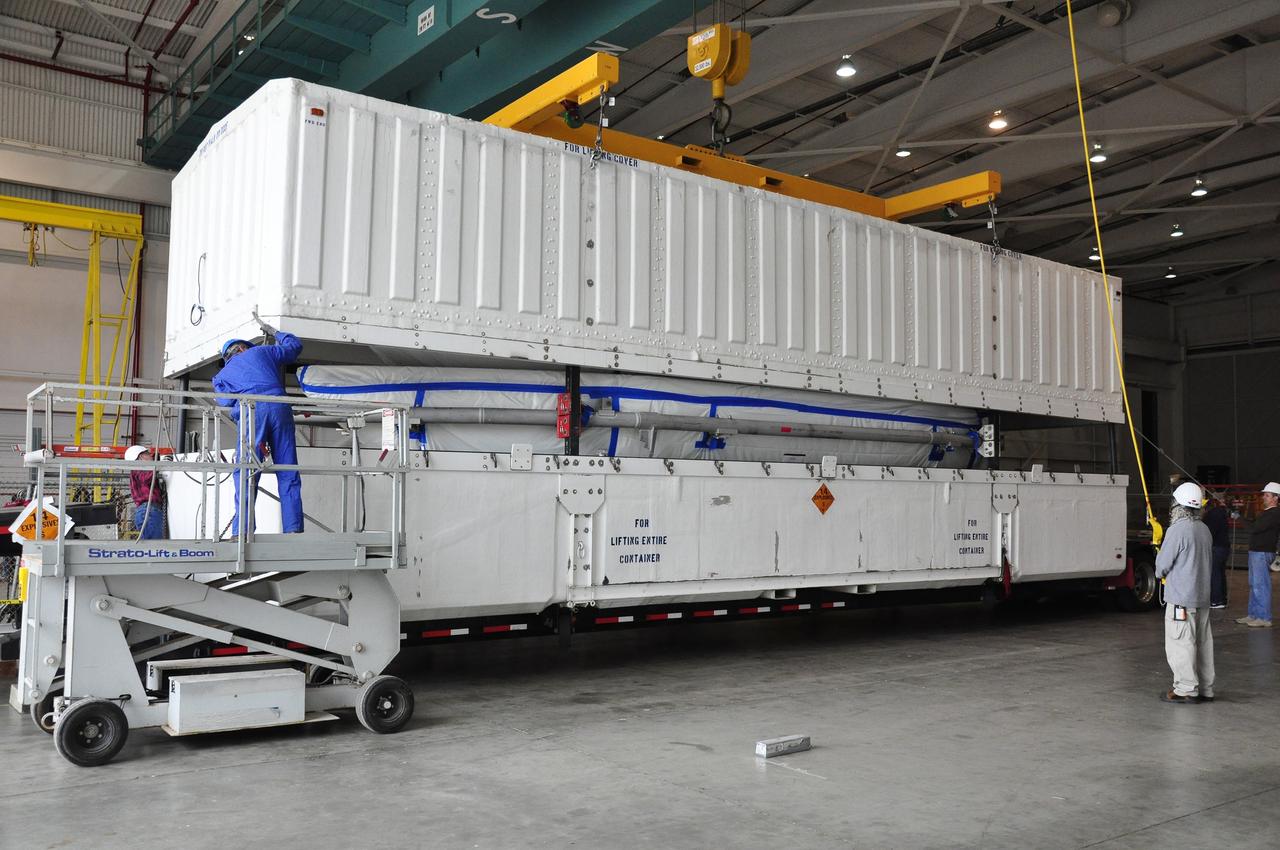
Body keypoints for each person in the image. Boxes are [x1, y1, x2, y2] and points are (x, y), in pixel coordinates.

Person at [212, 315, 304, 534]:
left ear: (228, 356)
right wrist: (275, 333)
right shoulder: (264, 351)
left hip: (252, 412)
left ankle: (242, 532)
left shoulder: (222, 375)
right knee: (287, 469)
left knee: (245, 472)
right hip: (280, 407)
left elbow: (226, 401)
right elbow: (295, 346)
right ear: (245, 348)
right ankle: (293, 530)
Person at [1155, 482, 1215, 704]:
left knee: (1181, 643)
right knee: (1203, 643)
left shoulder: (1177, 530)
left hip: (1181, 600)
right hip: (1202, 598)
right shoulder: (1204, 530)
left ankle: (1186, 689)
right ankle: (1206, 689)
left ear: (1177, 507)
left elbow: (1162, 565)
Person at [1236, 481, 1280, 628]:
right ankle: (1254, 614)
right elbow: (1254, 524)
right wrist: (1240, 516)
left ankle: (1264, 618)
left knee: (1261, 585)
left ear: (1276, 497)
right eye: (1265, 495)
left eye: (1267, 495)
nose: (1264, 498)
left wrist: (1238, 518)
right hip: (1256, 552)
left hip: (1262, 552)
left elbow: (1254, 528)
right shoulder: (1267, 513)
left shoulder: (1274, 513)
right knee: (1254, 584)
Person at [125, 445, 165, 540]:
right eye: (148, 454)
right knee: (154, 548)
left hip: (148, 511)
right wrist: (161, 464)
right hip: (149, 511)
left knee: (153, 548)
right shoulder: (139, 468)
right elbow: (146, 477)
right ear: (141, 457)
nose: (151, 456)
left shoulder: (137, 470)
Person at [1202, 491, 1230, 609]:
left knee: (1215, 574)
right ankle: (1221, 599)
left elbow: (1210, 531)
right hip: (1223, 546)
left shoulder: (1214, 513)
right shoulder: (1222, 512)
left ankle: (1216, 600)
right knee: (1220, 573)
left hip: (1216, 547)